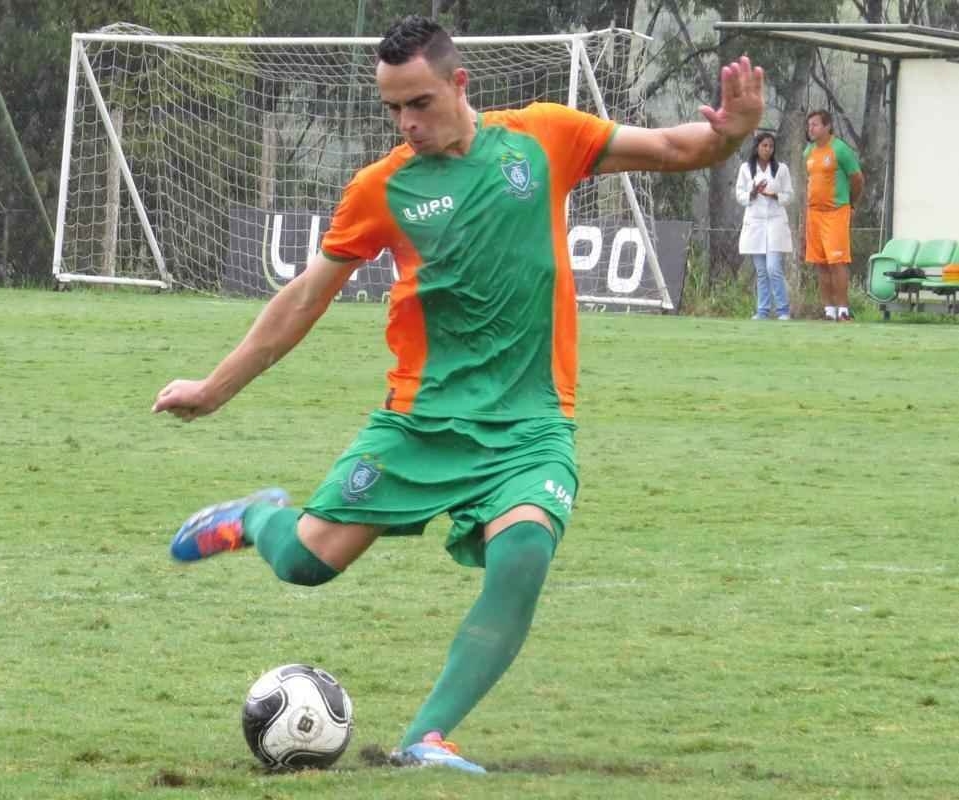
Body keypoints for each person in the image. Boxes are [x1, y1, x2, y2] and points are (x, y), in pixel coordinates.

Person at [152, 15, 764, 774]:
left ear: (459, 85)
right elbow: (304, 298)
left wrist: (733, 130)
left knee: (524, 551)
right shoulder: (381, 189)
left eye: (419, 103)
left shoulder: (543, 137)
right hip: (421, 422)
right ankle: (252, 517)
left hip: (531, 423)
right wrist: (214, 389)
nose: (406, 123)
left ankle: (427, 737)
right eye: (392, 109)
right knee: (308, 564)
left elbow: (679, 148)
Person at [803, 110, 864, 321]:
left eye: (815, 125)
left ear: (827, 126)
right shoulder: (808, 151)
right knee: (820, 262)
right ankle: (828, 310)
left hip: (835, 213)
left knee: (837, 262)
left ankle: (843, 310)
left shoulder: (840, 150)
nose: (811, 128)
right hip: (814, 214)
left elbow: (857, 179)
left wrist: (850, 204)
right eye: (809, 125)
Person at [736, 132, 794, 320]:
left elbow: (789, 194)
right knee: (761, 271)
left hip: (776, 221)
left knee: (773, 268)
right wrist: (752, 193)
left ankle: (783, 310)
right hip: (755, 223)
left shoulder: (781, 169)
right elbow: (740, 194)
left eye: (771, 146)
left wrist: (774, 196)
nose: (768, 149)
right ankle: (762, 310)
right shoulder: (746, 168)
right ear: (756, 147)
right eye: (764, 146)